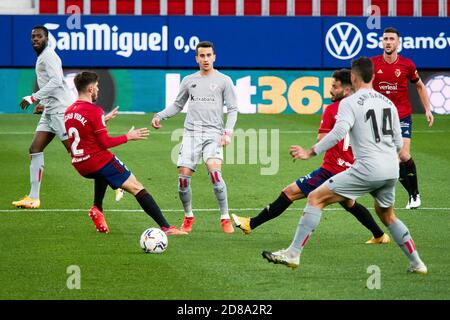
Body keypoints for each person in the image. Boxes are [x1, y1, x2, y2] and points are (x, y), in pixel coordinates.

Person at [262, 57, 427, 274]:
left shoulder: (350, 102)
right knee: (387, 215)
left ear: (353, 77)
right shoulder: (388, 103)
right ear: (374, 76)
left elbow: (338, 132)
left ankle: (293, 253)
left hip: (368, 168)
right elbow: (399, 145)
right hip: (391, 169)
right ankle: (417, 263)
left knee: (315, 197)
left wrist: (310, 151)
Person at [232, 69, 390, 244]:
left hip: (331, 170)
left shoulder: (332, 110)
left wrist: (308, 151)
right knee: (349, 203)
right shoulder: (362, 108)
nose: (330, 90)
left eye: (334, 86)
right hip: (351, 169)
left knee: (290, 192)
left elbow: (322, 140)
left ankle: (251, 224)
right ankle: (379, 235)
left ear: (346, 90)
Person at [64, 71, 187, 236]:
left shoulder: (69, 111)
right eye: (97, 87)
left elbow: (83, 129)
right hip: (96, 160)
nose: (98, 90)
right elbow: (105, 142)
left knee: (103, 172)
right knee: (136, 186)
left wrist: (103, 120)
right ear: (91, 89)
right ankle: (167, 227)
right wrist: (129, 136)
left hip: (80, 164)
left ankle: (97, 208)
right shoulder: (94, 111)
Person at [151, 41, 238, 234]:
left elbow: (232, 109)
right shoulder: (189, 80)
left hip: (213, 134)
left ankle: (225, 217)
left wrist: (228, 132)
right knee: (183, 179)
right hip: (191, 134)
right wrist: (159, 115)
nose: (205, 59)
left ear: (214, 57)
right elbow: (177, 105)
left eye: (209, 55)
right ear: (196, 58)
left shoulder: (224, 80)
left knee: (215, 174)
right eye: (202, 56)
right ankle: (189, 215)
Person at [371, 27, 434, 209]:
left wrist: (427, 109)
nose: (388, 42)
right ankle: (413, 194)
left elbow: (420, 86)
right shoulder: (373, 64)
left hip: (402, 115)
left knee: (403, 155)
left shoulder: (407, 65)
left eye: (392, 39)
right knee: (389, 161)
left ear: (398, 43)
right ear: (382, 42)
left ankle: (415, 196)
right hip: (380, 118)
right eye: (385, 39)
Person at [12, 26, 74, 209]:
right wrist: (44, 103)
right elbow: (52, 84)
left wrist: (34, 97)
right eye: (33, 37)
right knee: (35, 148)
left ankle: (115, 182)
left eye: (39, 36)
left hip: (60, 111)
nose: (35, 39)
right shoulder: (43, 56)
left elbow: (56, 80)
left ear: (47, 38)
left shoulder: (49, 56)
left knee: (78, 154)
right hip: (50, 110)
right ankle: (33, 197)